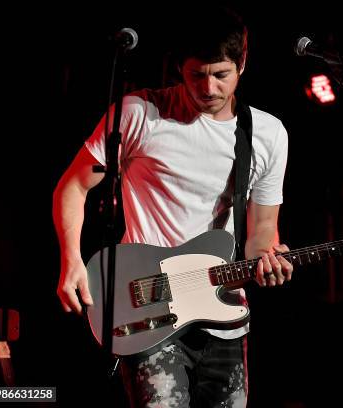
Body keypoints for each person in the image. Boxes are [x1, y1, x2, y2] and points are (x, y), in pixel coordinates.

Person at [53, 7, 293, 407]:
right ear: (179, 67)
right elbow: (73, 187)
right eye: (196, 74)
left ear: (243, 63)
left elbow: (262, 229)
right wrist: (71, 260)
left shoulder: (266, 134)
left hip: (225, 312)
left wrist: (267, 256)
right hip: (147, 305)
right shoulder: (139, 114)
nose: (209, 88)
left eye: (221, 75)